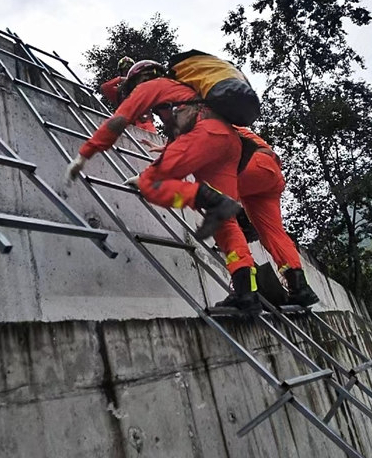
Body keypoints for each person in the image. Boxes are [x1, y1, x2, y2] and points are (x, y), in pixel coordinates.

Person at [136, 103, 261, 314]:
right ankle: (247, 292)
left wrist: (145, 177)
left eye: (158, 111)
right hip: (230, 145)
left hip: (208, 136)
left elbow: (183, 146)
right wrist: (167, 147)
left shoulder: (170, 98)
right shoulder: (195, 98)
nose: (158, 115)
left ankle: (213, 200)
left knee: (152, 186)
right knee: (227, 223)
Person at [66, 60, 209, 180]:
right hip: (221, 135)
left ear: (138, 79)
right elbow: (183, 127)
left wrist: (84, 155)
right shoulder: (178, 92)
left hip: (198, 137)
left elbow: (118, 120)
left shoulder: (149, 87)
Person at [236, 127, 320, 306]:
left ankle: (241, 222)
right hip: (269, 170)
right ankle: (300, 288)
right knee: (272, 234)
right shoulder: (228, 117)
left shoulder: (202, 115)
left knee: (206, 181)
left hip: (251, 164)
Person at [98, 57, 156, 132]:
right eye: (125, 71)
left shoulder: (143, 86)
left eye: (129, 71)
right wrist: (121, 79)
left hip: (145, 124)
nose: (127, 73)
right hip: (126, 126)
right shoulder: (119, 92)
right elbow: (104, 88)